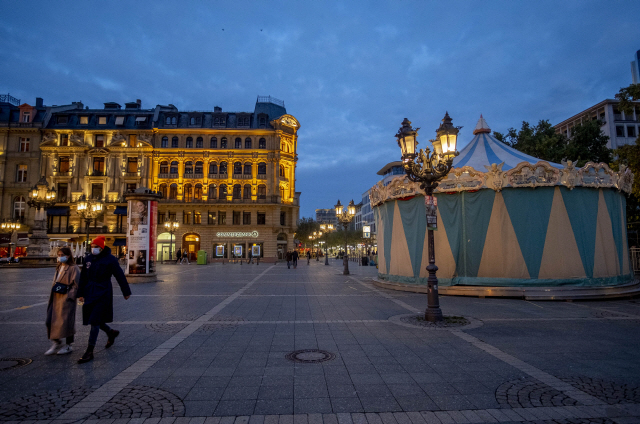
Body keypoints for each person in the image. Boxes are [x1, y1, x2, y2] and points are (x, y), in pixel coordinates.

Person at [77, 236, 131, 364]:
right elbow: (83, 277)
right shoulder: (88, 259)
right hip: (90, 290)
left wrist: (126, 291)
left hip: (103, 291)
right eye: (92, 246)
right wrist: (81, 293)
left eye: (96, 247)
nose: (93, 249)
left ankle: (89, 351)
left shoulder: (110, 259)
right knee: (93, 318)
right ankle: (110, 332)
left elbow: (119, 275)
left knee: (95, 320)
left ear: (101, 248)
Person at [45, 247, 80, 355]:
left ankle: (69, 345)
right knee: (49, 321)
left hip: (66, 299)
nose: (60, 257)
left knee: (67, 323)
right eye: (59, 255)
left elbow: (77, 284)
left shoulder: (73, 268)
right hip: (55, 298)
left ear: (68, 256)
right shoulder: (59, 266)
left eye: (62, 255)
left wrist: (70, 295)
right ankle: (56, 341)